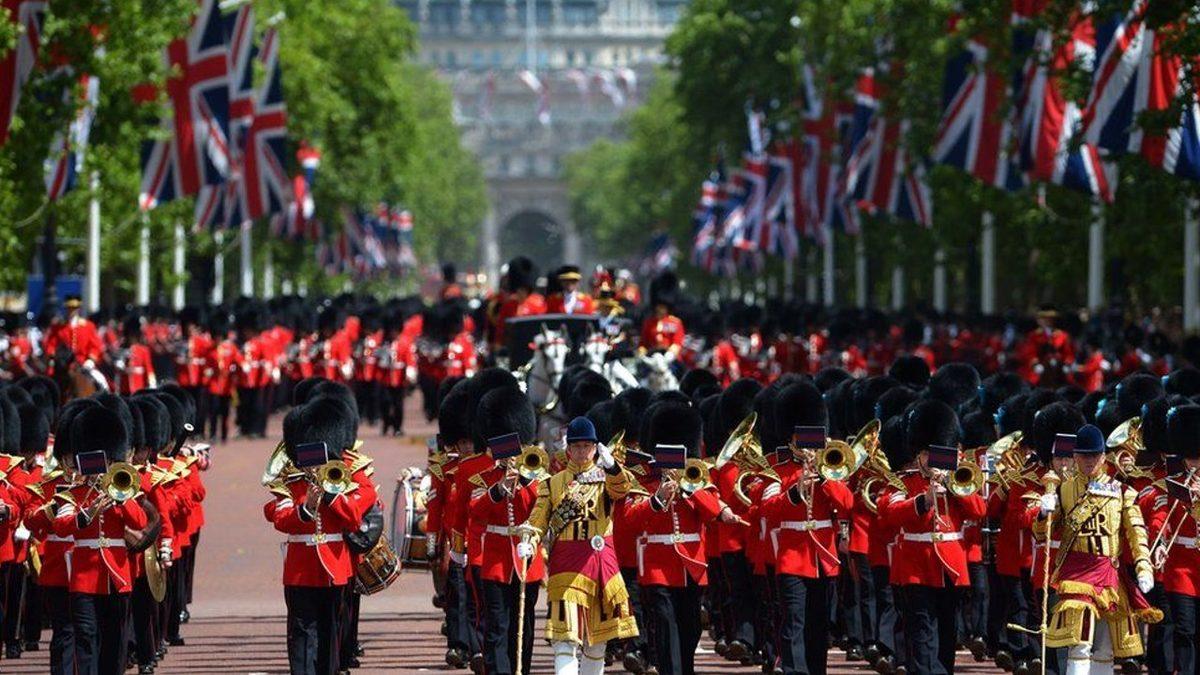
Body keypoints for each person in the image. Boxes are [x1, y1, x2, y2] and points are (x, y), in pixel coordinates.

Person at [626, 403, 744, 675]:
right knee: (666, 625)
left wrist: (690, 489)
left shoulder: (697, 478)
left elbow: (713, 511)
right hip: (657, 566)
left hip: (691, 564)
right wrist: (658, 499)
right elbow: (631, 520)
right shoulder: (643, 481)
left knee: (690, 628)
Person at [1035, 423, 1161, 675]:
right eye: (1083, 455)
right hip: (1076, 573)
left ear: (1104, 456)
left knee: (1104, 648)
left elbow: (1136, 532)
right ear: (1075, 457)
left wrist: (1143, 566)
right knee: (1079, 643)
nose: (1089, 460)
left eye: (1094, 455)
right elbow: (1042, 533)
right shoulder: (1064, 488)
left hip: (1108, 574)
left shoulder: (1123, 492)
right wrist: (1043, 512)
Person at [517, 416, 639, 675]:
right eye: (578, 446)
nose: (583, 452)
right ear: (568, 449)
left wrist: (613, 467)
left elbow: (623, 489)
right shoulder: (552, 483)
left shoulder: (607, 478)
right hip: (567, 567)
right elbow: (538, 519)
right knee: (565, 641)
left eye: (587, 446)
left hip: (600, 567)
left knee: (597, 644)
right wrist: (530, 540)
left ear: (596, 448)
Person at [265, 397, 376, 675]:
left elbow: (353, 517)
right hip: (300, 568)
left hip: (335, 566)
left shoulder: (341, 479)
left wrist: (329, 493)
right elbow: (281, 517)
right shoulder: (289, 483)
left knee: (330, 631)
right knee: (302, 630)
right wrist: (307, 507)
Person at [879, 400, 987, 675]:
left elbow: (979, 510)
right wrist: (923, 500)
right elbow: (889, 511)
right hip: (916, 567)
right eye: (927, 454)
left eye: (937, 453)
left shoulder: (958, 480)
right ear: (917, 454)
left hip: (949, 567)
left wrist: (954, 486)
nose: (932, 460)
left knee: (947, 630)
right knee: (922, 630)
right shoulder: (904, 481)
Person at [53, 405, 149, 675]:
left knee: (114, 639)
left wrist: (119, 499)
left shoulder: (121, 491)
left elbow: (139, 522)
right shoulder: (73, 494)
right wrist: (90, 509)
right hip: (83, 577)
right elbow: (62, 526)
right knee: (85, 635)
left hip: (117, 577)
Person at [470, 389, 545, 675]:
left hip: (527, 557)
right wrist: (500, 488)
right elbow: (476, 509)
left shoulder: (534, 476)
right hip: (497, 560)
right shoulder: (485, 479)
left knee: (523, 627)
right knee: (497, 626)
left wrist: (523, 481)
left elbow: (539, 507)